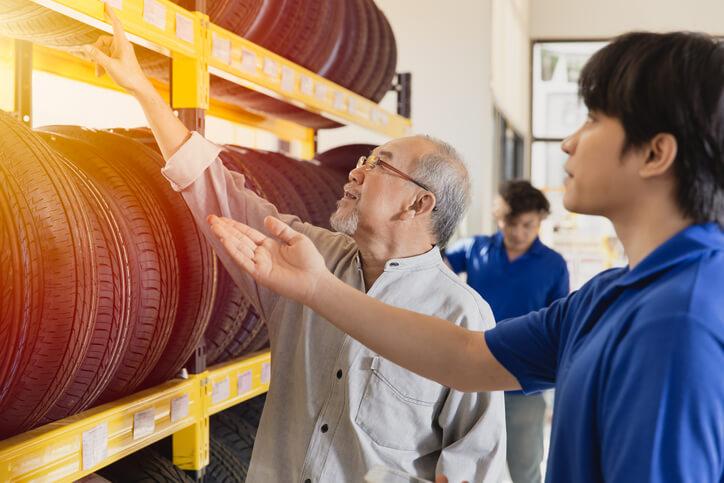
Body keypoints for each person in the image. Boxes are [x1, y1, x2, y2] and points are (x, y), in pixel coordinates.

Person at [207, 30, 724, 482]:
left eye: (592, 119)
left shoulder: (679, 320)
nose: (568, 142)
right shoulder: (608, 297)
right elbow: (464, 357)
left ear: (656, 153)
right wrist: (317, 289)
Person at [84, 7, 506, 482]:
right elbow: (217, 191)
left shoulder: (463, 320)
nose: (355, 171)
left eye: (379, 165)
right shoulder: (306, 257)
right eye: (363, 158)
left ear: (418, 203)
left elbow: (475, 469)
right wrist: (142, 88)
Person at [445, 180, 569, 483]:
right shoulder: (476, 248)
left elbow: (560, 328)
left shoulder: (554, 265)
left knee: (524, 467)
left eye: (528, 225)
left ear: (540, 220)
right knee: (462, 462)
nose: (518, 233)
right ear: (499, 219)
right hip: (470, 376)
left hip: (523, 383)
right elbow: (436, 262)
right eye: (510, 224)